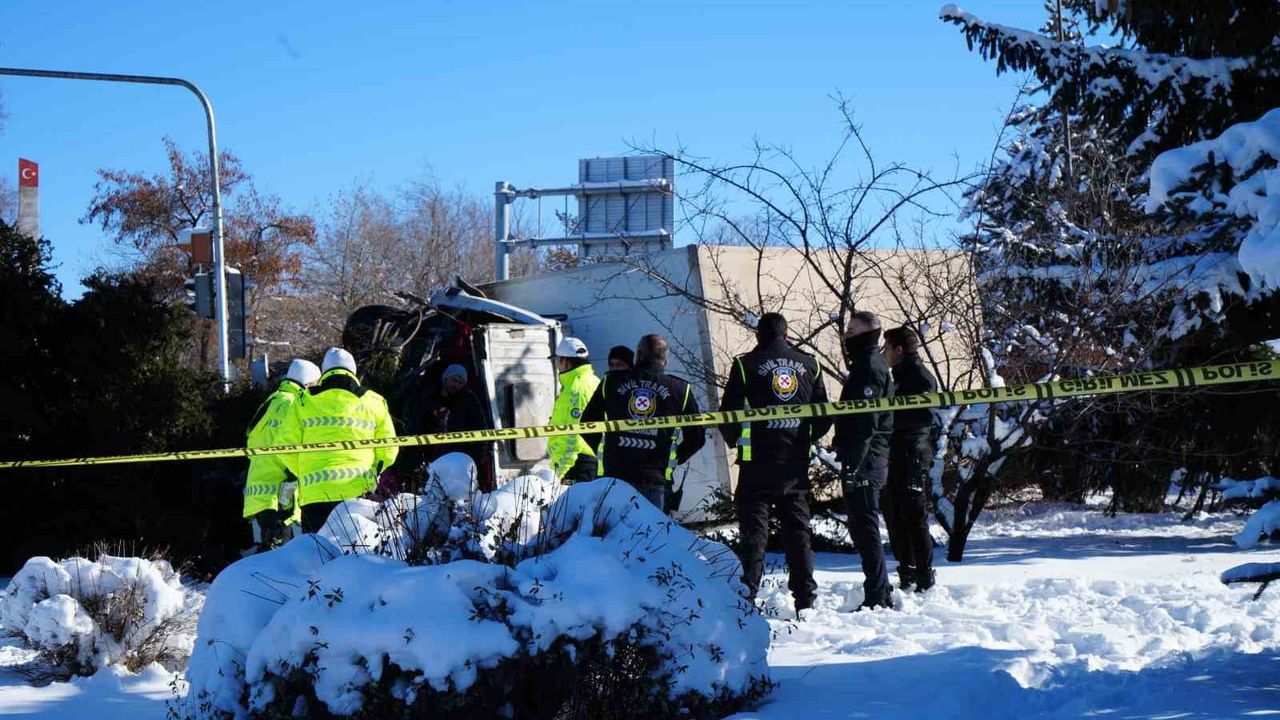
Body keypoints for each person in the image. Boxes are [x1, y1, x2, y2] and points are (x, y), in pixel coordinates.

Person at [720, 313, 832, 611]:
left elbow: (728, 415)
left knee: (754, 535)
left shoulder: (745, 365)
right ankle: (805, 600)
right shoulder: (810, 364)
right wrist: (804, 439)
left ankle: (748, 595)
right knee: (798, 533)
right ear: (786, 334)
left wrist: (737, 443)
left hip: (755, 464)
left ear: (758, 335)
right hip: (793, 464)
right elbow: (824, 416)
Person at [582, 334, 706, 510]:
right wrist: (675, 458)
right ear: (665, 361)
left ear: (638, 356)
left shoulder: (611, 382)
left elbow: (587, 424)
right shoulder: (680, 389)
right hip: (657, 478)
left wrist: (604, 451)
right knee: (653, 535)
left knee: (614, 535)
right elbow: (697, 437)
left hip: (615, 475)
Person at [283, 348, 398, 533]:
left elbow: (285, 446)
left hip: (314, 494)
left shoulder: (303, 400)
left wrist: (304, 471)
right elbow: (389, 449)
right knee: (356, 555)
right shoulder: (374, 400)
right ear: (353, 371)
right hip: (358, 492)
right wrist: (373, 473)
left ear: (324, 371)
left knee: (316, 556)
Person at [836, 311, 896, 611]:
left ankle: (878, 595)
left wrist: (854, 464)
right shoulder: (866, 363)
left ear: (866, 333)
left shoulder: (870, 367)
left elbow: (866, 421)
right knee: (862, 527)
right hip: (866, 456)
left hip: (867, 460)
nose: (846, 335)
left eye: (851, 330)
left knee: (866, 527)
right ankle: (878, 589)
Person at [882, 326, 939, 592]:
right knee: (895, 514)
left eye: (887, 348)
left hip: (913, 454)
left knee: (914, 516)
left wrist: (889, 420)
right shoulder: (900, 376)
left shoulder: (919, 377)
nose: (885, 354)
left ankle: (923, 574)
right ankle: (907, 570)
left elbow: (923, 418)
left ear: (899, 350)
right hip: (898, 453)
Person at [243, 358, 320, 549]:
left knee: (269, 554)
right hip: (282, 493)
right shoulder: (295, 403)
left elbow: (251, 440)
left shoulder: (273, 400)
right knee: (282, 561)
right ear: (308, 383)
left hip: (260, 491)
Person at [423, 363, 494, 490]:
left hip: (460, 458)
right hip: (433, 455)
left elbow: (481, 428)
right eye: (454, 380)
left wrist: (477, 458)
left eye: (460, 383)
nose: (456, 385)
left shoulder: (468, 399)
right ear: (446, 378)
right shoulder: (430, 396)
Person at [548, 337, 601, 483]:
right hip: (589, 459)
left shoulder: (575, 390)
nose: (557, 365)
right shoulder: (594, 381)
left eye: (557, 360)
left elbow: (571, 436)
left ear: (566, 361)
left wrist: (561, 472)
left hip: (577, 464)